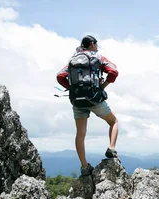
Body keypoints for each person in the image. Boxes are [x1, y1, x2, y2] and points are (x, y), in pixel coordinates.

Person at [56, 35, 120, 176]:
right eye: (96, 44)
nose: (97, 47)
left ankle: (84, 167)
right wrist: (102, 86)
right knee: (113, 121)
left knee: (80, 133)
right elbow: (114, 71)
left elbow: (60, 76)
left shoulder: (73, 59)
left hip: (77, 100)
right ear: (92, 44)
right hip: (94, 98)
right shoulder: (98, 58)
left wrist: (71, 88)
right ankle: (112, 148)